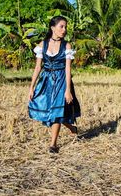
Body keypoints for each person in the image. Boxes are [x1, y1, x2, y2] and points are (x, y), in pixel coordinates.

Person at [28, 16, 81, 153]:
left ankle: (53, 144)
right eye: (61, 26)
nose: (64, 30)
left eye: (65, 27)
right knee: (49, 110)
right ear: (53, 28)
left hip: (62, 80)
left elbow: (68, 69)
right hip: (46, 80)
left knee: (56, 111)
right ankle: (72, 128)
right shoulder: (42, 45)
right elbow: (38, 67)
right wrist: (31, 87)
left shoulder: (67, 46)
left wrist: (68, 90)